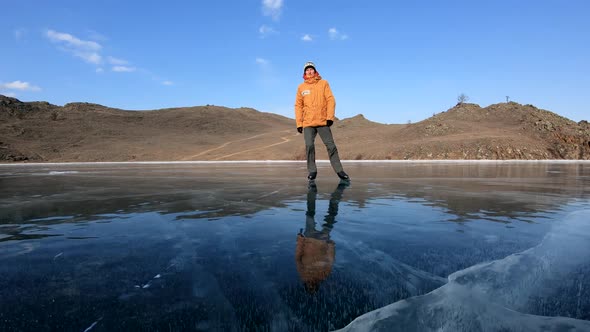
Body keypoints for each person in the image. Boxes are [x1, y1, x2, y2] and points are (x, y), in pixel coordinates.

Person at [294, 61, 350, 182]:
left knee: (331, 146)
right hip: (308, 123)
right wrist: (299, 123)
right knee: (309, 145)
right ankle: (312, 171)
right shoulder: (301, 87)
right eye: (307, 70)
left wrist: (330, 117)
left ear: (315, 71)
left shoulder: (323, 83)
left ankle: (339, 170)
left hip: (322, 121)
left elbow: (330, 99)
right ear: (304, 73)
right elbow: (298, 106)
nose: (309, 71)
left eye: (311, 69)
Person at [295, 182, 348, 293]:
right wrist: (331, 246)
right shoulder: (323, 276)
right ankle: (334, 198)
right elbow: (330, 260)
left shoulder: (303, 274)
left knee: (310, 214)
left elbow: (298, 257)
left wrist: (300, 240)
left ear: (306, 285)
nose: (311, 285)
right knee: (330, 217)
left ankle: (312, 192)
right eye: (313, 288)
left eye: (310, 287)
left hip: (309, 238)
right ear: (316, 287)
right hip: (322, 241)